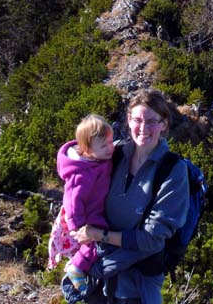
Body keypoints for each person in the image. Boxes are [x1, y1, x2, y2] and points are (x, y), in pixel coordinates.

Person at [70, 88, 189, 304]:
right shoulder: (114, 154)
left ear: (164, 124)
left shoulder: (173, 170)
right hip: (100, 278)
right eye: (137, 119)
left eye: (152, 121)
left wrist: (98, 235)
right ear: (128, 120)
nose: (143, 128)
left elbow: (152, 240)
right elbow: (78, 175)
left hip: (138, 287)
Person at [48, 114, 114, 295]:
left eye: (111, 142)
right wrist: (77, 227)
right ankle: (76, 268)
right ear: (86, 149)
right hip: (87, 216)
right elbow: (71, 202)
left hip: (97, 210)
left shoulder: (99, 158)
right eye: (104, 145)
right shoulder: (80, 174)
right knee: (95, 242)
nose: (110, 148)